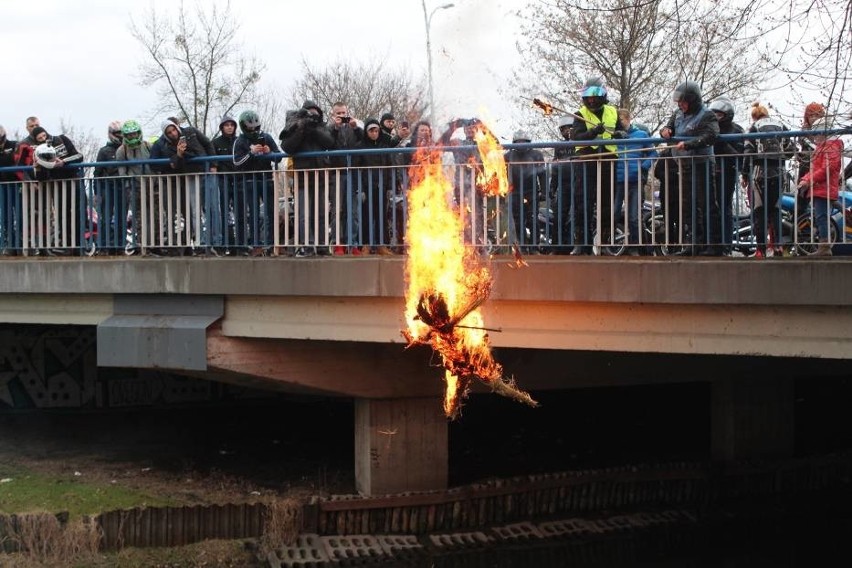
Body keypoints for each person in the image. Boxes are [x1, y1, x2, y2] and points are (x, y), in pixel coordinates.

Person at [660, 80, 720, 255]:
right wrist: (666, 131)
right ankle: (693, 242)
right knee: (688, 205)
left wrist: (689, 144)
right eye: (679, 102)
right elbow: (668, 127)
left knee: (707, 204)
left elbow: (711, 135)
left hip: (702, 163)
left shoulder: (707, 115)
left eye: (684, 101)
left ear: (693, 100)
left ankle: (713, 245)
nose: (681, 105)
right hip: (684, 164)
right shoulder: (677, 114)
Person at [570, 77, 628, 255]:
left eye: (595, 96)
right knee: (582, 203)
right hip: (587, 161)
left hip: (608, 161)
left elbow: (622, 131)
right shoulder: (579, 114)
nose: (592, 100)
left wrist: (620, 134)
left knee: (607, 204)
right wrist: (593, 132)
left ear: (603, 95)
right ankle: (582, 243)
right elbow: (576, 138)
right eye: (588, 96)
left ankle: (605, 241)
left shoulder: (612, 111)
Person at [149, 119, 216, 254]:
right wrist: (177, 155)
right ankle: (175, 245)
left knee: (196, 212)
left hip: (198, 174)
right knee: (174, 214)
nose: (173, 133)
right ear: (165, 134)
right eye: (169, 132)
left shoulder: (190, 132)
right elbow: (161, 164)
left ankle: (193, 244)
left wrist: (213, 164)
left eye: (174, 129)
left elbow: (207, 144)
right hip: (175, 181)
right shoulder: (163, 145)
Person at [279, 100, 336, 257]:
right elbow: (287, 147)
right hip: (303, 177)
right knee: (304, 214)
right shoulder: (295, 125)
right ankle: (307, 245)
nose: (313, 115)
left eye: (315, 112)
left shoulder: (321, 127)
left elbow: (330, 143)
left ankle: (323, 244)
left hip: (321, 176)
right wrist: (302, 129)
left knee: (322, 213)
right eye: (310, 112)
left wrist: (314, 129)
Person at [743, 102, 794, 258]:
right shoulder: (781, 126)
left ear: (755, 116)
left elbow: (748, 152)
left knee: (759, 211)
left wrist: (745, 174)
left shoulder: (754, 128)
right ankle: (778, 246)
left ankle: (760, 249)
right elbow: (791, 150)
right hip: (779, 172)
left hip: (760, 173)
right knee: (776, 210)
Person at [233, 110, 281, 256]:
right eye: (250, 128)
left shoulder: (266, 137)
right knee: (253, 214)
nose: (254, 130)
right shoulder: (240, 141)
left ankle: (272, 243)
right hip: (249, 182)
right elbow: (237, 162)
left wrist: (269, 153)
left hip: (267, 180)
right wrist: (250, 153)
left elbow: (278, 157)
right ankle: (256, 244)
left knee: (271, 213)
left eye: (256, 127)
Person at [30, 126, 85, 253]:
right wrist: (38, 168)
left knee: (77, 213)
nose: (44, 139)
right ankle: (68, 245)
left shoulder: (61, 139)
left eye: (44, 136)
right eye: (40, 138)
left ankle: (79, 244)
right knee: (62, 216)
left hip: (73, 181)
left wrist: (64, 162)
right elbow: (41, 178)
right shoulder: (38, 151)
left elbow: (79, 156)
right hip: (57, 186)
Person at [797, 118, 843, 256]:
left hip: (824, 187)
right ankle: (823, 245)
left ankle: (824, 246)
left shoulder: (830, 147)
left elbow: (827, 168)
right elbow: (817, 169)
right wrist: (806, 180)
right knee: (820, 216)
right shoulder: (824, 146)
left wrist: (808, 180)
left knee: (821, 217)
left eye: (817, 133)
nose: (815, 136)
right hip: (820, 187)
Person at [613, 108, 656, 255]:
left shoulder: (641, 135)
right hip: (617, 180)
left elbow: (653, 153)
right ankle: (610, 243)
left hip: (635, 180)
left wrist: (643, 167)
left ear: (628, 119)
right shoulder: (614, 135)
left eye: (621, 120)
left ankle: (634, 246)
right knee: (613, 213)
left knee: (633, 216)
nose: (619, 123)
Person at [707, 97, 745, 254]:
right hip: (710, 171)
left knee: (724, 206)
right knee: (709, 208)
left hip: (727, 172)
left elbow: (739, 155)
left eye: (719, 114)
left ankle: (726, 245)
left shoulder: (736, 130)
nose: (716, 117)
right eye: (714, 114)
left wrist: (722, 143)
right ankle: (710, 244)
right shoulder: (709, 129)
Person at [328, 101, 363, 254]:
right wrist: (335, 129)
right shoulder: (329, 129)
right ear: (333, 114)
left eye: (344, 113)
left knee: (353, 211)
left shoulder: (354, 127)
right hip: (336, 174)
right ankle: (338, 243)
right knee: (337, 211)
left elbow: (364, 142)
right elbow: (327, 144)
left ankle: (353, 243)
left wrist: (356, 128)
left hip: (352, 174)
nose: (342, 116)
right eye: (339, 114)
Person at [355, 118, 394, 255]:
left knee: (381, 216)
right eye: (371, 130)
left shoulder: (384, 146)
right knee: (366, 216)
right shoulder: (360, 147)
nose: (374, 133)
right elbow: (357, 169)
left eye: (376, 130)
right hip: (367, 188)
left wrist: (390, 187)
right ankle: (365, 245)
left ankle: (382, 245)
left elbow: (389, 168)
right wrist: (359, 189)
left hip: (381, 187)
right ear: (366, 131)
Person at [504, 130, 546, 252]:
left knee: (533, 218)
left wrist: (544, 191)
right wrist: (503, 191)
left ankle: (534, 246)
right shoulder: (508, 156)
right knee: (518, 221)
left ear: (528, 142)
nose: (521, 144)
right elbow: (502, 174)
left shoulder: (536, 154)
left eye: (523, 141)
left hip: (531, 192)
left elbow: (542, 174)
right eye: (518, 142)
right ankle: (522, 246)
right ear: (514, 143)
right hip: (515, 193)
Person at [115, 120, 151, 254]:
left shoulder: (148, 145)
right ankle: (141, 243)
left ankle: (156, 243)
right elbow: (122, 172)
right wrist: (128, 188)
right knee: (138, 216)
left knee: (156, 215)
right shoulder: (121, 150)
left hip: (152, 184)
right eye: (129, 135)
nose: (132, 137)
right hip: (134, 186)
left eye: (134, 134)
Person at [93, 121, 125, 253]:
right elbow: (97, 172)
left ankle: (120, 245)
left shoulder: (126, 149)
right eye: (118, 133)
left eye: (121, 133)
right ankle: (104, 245)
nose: (120, 136)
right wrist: (97, 192)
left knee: (121, 217)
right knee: (106, 218)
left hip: (122, 187)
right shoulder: (104, 151)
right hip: (108, 188)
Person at [211, 115, 239, 253]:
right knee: (224, 212)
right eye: (226, 125)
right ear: (222, 127)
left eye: (231, 125)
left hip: (239, 179)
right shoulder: (216, 143)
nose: (229, 127)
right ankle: (226, 244)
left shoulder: (239, 141)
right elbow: (212, 159)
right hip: (223, 180)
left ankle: (240, 244)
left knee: (240, 212)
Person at [550, 115, 577, 252]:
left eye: (569, 128)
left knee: (576, 215)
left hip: (579, 184)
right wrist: (552, 187)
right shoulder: (559, 146)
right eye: (563, 129)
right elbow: (555, 167)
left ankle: (573, 245)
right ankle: (557, 246)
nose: (566, 131)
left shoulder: (580, 143)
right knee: (559, 215)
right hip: (563, 185)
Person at [0, 126, 20, 254]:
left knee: (20, 214)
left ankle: (21, 242)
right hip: (2, 187)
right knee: (6, 216)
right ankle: (10, 243)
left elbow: (20, 161)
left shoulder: (14, 145)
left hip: (16, 185)